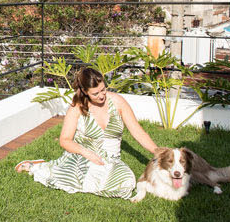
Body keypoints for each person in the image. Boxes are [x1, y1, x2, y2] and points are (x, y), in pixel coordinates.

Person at [15, 65, 161, 201]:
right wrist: (87, 153)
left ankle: (95, 175)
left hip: (110, 159)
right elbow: (65, 140)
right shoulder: (77, 107)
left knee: (127, 184)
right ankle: (38, 166)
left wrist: (158, 152)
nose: (102, 95)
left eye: (103, 89)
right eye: (95, 93)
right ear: (85, 91)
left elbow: (137, 131)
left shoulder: (118, 102)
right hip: (83, 157)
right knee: (78, 180)